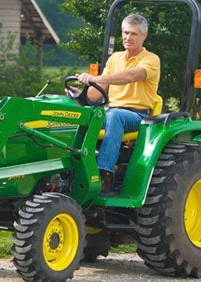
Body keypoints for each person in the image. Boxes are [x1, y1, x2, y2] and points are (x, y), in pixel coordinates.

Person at [71, 14, 160, 195]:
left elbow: (131, 76)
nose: (128, 38)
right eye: (125, 33)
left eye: (134, 34)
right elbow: (99, 91)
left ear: (144, 36)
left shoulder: (151, 60)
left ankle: (104, 174)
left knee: (114, 116)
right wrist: (79, 96)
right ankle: (71, 169)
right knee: (77, 114)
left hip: (138, 115)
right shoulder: (115, 58)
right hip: (111, 112)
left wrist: (95, 77)